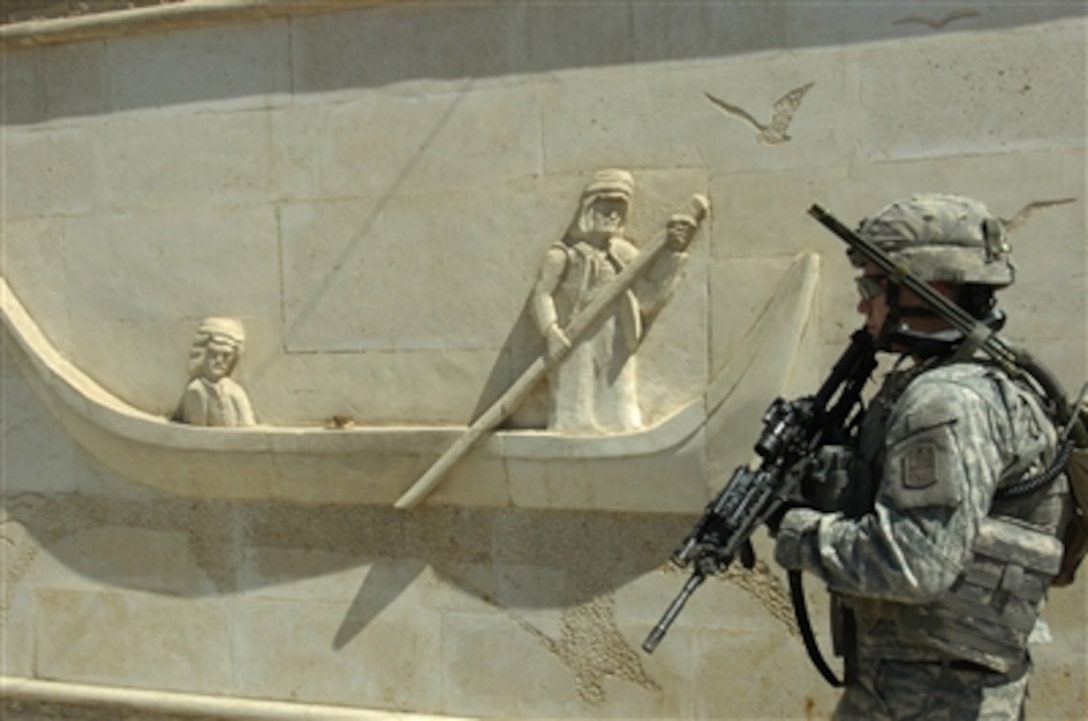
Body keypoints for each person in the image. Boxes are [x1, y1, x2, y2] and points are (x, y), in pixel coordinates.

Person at [772, 194, 1072, 719]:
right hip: (917, 687)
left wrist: (796, 530)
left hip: (933, 700)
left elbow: (913, 563)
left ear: (925, 288)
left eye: (870, 287)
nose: (863, 305)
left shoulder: (945, 402)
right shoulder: (963, 382)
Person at [530, 168, 697, 433]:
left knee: (618, 396)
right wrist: (551, 332)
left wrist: (672, 254)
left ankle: (622, 433)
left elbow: (647, 299)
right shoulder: (563, 255)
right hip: (577, 336)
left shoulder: (624, 253)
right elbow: (542, 295)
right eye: (606, 206)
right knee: (577, 393)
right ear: (589, 207)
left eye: (619, 209)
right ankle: (573, 435)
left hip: (616, 334)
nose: (612, 215)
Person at [176, 316, 256, 427]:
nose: (219, 361)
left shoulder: (236, 392)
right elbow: (197, 436)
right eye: (214, 353)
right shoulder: (196, 391)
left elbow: (248, 429)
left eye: (226, 356)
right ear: (204, 354)